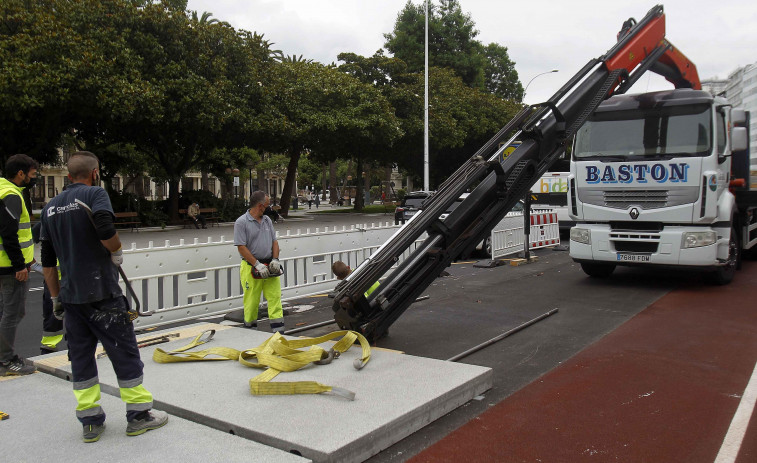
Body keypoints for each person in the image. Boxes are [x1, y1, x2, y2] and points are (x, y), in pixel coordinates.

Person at [40, 151, 167, 443]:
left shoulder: (50, 208)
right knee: (123, 353)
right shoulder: (94, 194)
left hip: (72, 299)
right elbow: (105, 227)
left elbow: (48, 261)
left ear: (68, 175)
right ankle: (138, 416)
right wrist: (116, 249)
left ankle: (90, 422)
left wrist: (57, 297)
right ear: (95, 172)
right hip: (103, 295)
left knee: (81, 358)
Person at [0, 153, 38, 376]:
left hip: (6, 263)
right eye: (32, 175)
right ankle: (6, 360)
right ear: (20, 173)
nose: (33, 179)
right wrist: (19, 266)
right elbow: (9, 233)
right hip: (9, 266)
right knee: (13, 313)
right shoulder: (12, 195)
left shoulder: (3, 189)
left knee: (5, 312)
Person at [234, 191, 285, 333]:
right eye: (267, 205)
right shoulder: (241, 222)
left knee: (275, 299)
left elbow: (274, 242)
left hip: (269, 265)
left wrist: (275, 259)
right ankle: (250, 332)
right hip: (251, 267)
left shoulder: (267, 221)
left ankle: (279, 334)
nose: (269, 208)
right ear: (260, 206)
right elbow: (241, 247)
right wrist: (256, 264)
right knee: (251, 302)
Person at [31, 222, 64, 354]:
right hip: (60, 278)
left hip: (56, 278)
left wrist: (35, 266)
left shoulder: (48, 219)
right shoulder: (48, 220)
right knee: (54, 316)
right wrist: (34, 266)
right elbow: (24, 242)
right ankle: (49, 348)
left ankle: (49, 348)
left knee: (55, 316)